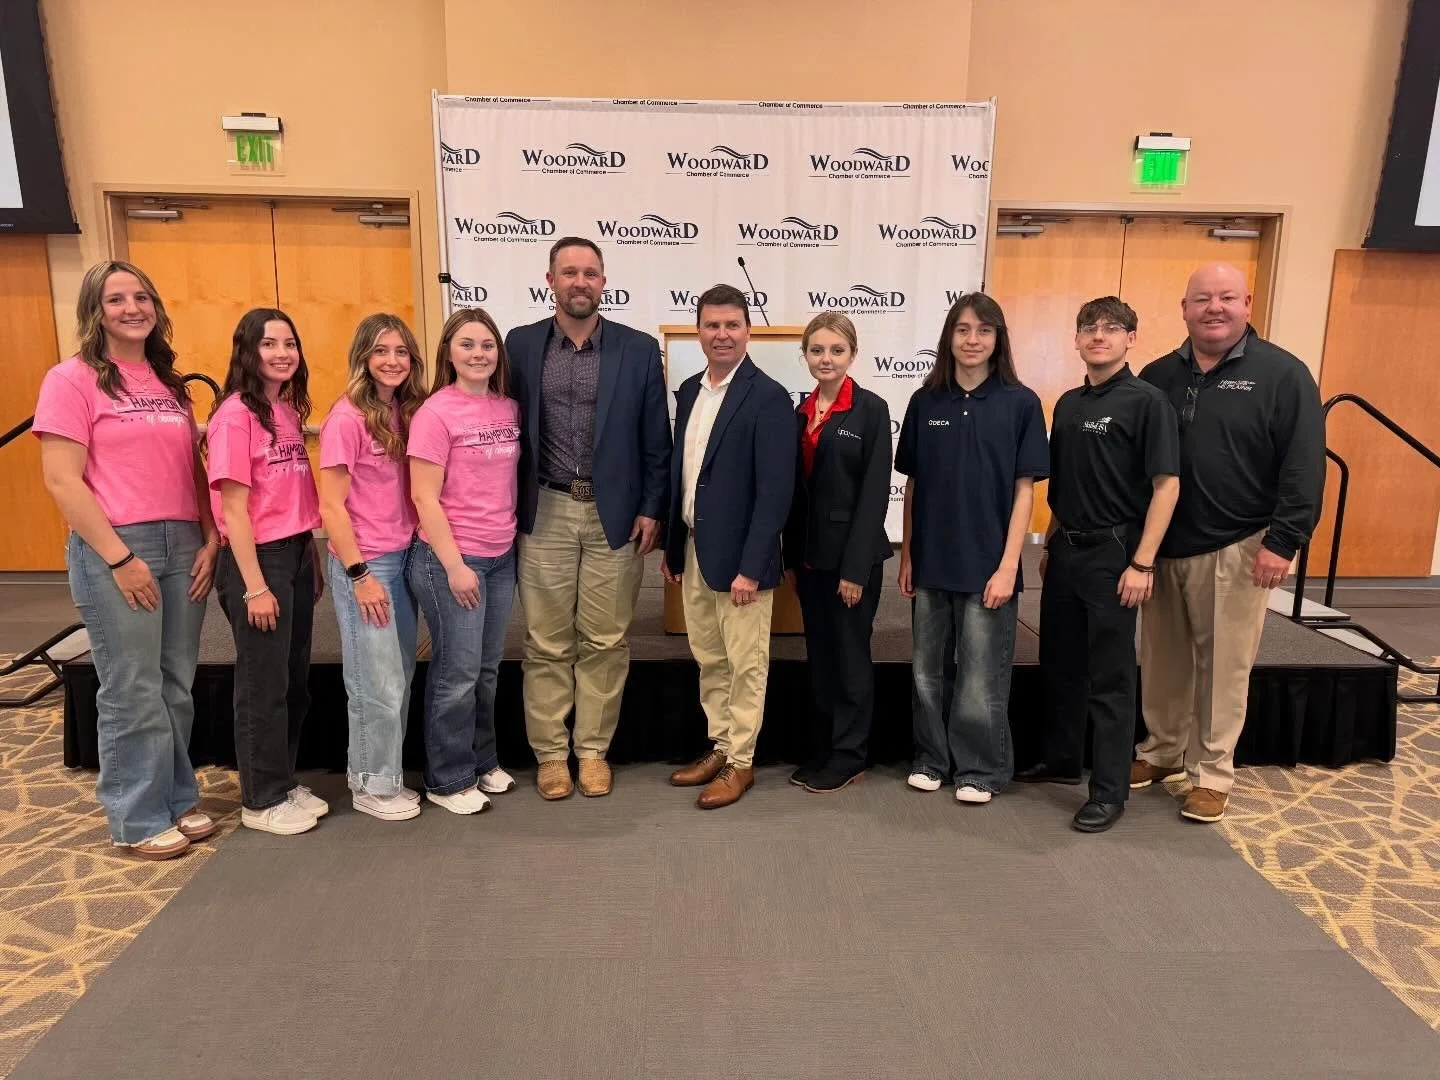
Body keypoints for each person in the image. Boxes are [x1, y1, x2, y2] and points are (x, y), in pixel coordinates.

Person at [34, 260, 220, 860]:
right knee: (131, 687)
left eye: (142, 296)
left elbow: (191, 471)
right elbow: (63, 482)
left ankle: (176, 795)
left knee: (176, 683)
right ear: (96, 310)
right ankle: (137, 815)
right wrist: (119, 558)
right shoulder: (72, 379)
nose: (132, 308)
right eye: (116, 299)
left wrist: (210, 537)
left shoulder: (168, 383)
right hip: (118, 546)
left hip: (183, 543)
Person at [1133, 263, 1323, 823]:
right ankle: (1162, 752)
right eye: (1202, 299)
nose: (1214, 308)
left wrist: (1283, 541)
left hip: (1240, 543)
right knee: (1163, 658)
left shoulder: (1283, 374)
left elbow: (1304, 465)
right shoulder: (1158, 374)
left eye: (1226, 298)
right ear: (1184, 309)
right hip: (1162, 545)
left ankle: (1211, 773)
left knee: (1224, 665)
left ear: (1247, 304)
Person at [507, 237, 671, 800]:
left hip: (615, 514)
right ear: (549, 279)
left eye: (591, 273)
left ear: (605, 281)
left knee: (605, 639)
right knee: (546, 641)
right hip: (545, 509)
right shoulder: (521, 345)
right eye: (569, 272)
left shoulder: (638, 349)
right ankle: (551, 755)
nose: (581, 281)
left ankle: (593, 750)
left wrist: (653, 507)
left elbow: (657, 439)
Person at [1017, 297, 1180, 833]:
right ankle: (1062, 758)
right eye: (1090, 327)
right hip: (1066, 551)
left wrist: (1143, 562)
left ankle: (1109, 790)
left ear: (1131, 338)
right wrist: (1052, 546)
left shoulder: (1147, 402)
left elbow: (1166, 486)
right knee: (1060, 663)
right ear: (1078, 338)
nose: (1099, 336)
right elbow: (1063, 484)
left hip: (1118, 556)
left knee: (1110, 677)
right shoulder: (1066, 403)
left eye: (1112, 328)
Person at [896, 292, 1049, 804]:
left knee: (982, 675)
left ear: (998, 338)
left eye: (984, 330)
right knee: (925, 671)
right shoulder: (926, 401)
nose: (972, 340)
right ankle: (931, 759)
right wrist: (908, 554)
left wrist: (1010, 567)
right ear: (948, 337)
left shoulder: (1020, 402)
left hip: (990, 564)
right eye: (962, 329)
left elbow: (1025, 490)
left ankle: (980, 769)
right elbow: (913, 487)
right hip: (933, 560)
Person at [663, 285, 795, 809]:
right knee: (710, 660)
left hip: (743, 563)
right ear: (699, 332)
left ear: (747, 330)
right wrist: (675, 549)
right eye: (712, 325)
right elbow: (684, 475)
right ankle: (720, 746)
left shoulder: (768, 397)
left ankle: (742, 762)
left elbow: (775, 491)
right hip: (696, 551)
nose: (721, 334)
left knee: (746, 663)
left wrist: (753, 566)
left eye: (731, 325)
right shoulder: (692, 390)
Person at [208, 308, 326, 836]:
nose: (282, 353)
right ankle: (261, 799)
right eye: (269, 343)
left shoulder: (284, 411)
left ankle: (281, 777)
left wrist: (312, 552)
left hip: (296, 551)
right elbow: (234, 509)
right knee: (263, 685)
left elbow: (294, 492)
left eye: (289, 343)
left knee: (293, 680)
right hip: (260, 560)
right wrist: (255, 585)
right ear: (247, 351)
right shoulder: (235, 414)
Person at [407, 308, 522, 816]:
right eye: (467, 345)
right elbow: (424, 497)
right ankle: (448, 777)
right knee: (456, 674)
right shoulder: (435, 413)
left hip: (500, 555)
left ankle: (482, 760)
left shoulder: (508, 409)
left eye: (487, 346)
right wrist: (455, 565)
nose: (479, 354)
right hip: (450, 558)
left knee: (486, 669)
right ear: (449, 353)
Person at [317, 314, 426, 822]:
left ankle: (388, 773)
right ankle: (371, 783)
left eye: (401, 352)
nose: (392, 361)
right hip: (368, 564)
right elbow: (332, 507)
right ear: (363, 356)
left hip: (404, 556)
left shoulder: (406, 411)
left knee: (397, 674)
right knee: (373, 680)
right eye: (381, 351)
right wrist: (359, 576)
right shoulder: (346, 418)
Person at [781, 312, 892, 793]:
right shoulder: (799, 414)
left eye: (836, 350)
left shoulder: (870, 409)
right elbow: (793, 495)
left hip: (851, 562)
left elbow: (873, 495)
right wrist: (788, 558)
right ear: (805, 356)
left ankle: (850, 754)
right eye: (817, 350)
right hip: (808, 559)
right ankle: (825, 748)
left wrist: (856, 569)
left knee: (849, 659)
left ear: (852, 354)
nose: (826, 359)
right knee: (821, 658)